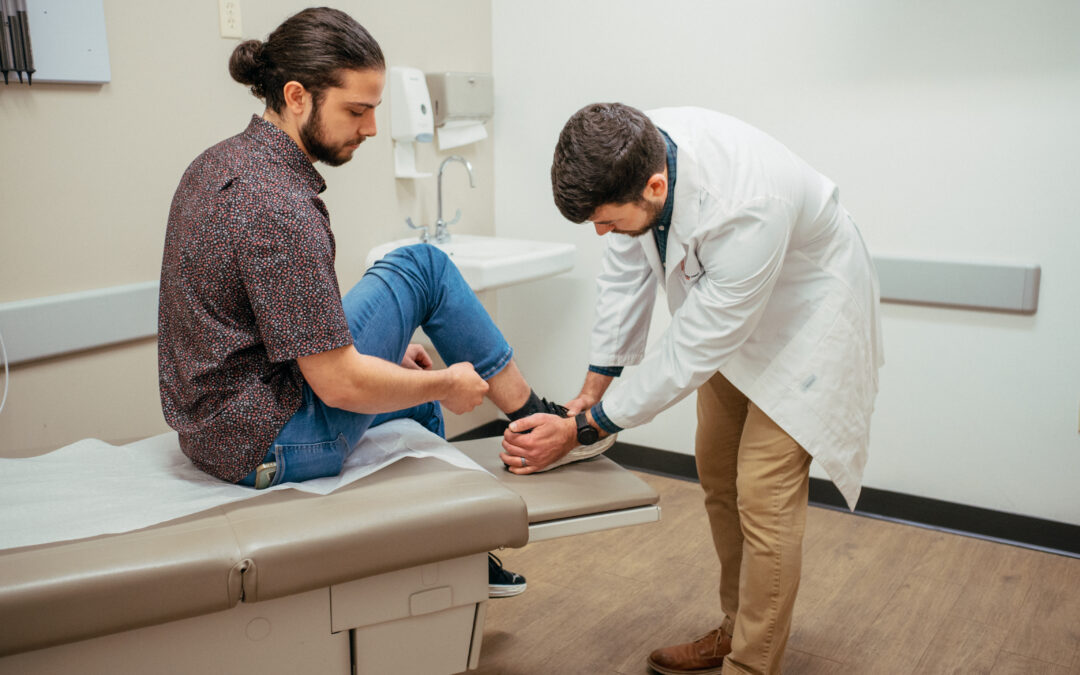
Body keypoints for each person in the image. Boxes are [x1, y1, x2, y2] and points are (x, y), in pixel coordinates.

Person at [157, 7, 568, 599]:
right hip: (265, 442)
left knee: (416, 413)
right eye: (357, 110)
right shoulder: (278, 206)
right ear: (297, 96)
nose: (372, 128)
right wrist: (447, 386)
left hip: (215, 426)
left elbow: (260, 331)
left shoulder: (219, 163)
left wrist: (399, 377)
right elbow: (341, 387)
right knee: (423, 267)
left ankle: (458, 553)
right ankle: (536, 422)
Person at [501, 103, 883, 674]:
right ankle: (736, 628)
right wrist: (591, 391)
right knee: (717, 469)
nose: (601, 232)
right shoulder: (635, 150)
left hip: (808, 319)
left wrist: (583, 429)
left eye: (605, 220)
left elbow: (689, 352)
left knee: (763, 492)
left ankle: (752, 664)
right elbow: (626, 274)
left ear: (655, 187)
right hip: (731, 312)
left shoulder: (750, 204)